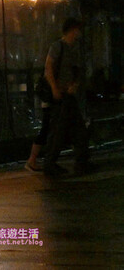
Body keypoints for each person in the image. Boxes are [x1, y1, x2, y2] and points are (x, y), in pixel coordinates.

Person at [43, 18, 92, 177]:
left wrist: (74, 84)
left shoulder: (73, 48)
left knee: (73, 129)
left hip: (68, 94)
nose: (79, 33)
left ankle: (79, 162)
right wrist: (54, 88)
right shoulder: (58, 47)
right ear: (72, 30)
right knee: (59, 130)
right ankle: (52, 164)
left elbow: (76, 71)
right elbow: (48, 69)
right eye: (77, 30)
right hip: (61, 94)